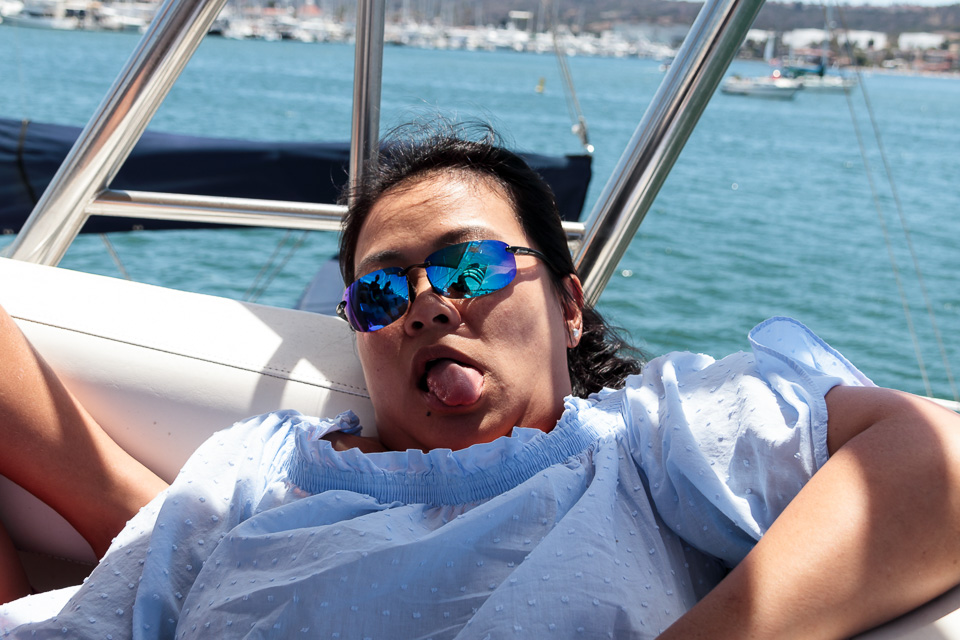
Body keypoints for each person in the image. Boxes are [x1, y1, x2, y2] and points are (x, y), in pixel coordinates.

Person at [2, 121, 960, 639]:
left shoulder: (647, 443)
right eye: (380, 293)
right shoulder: (260, 472)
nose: (425, 304)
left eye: (470, 267)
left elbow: (938, 462)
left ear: (569, 307)